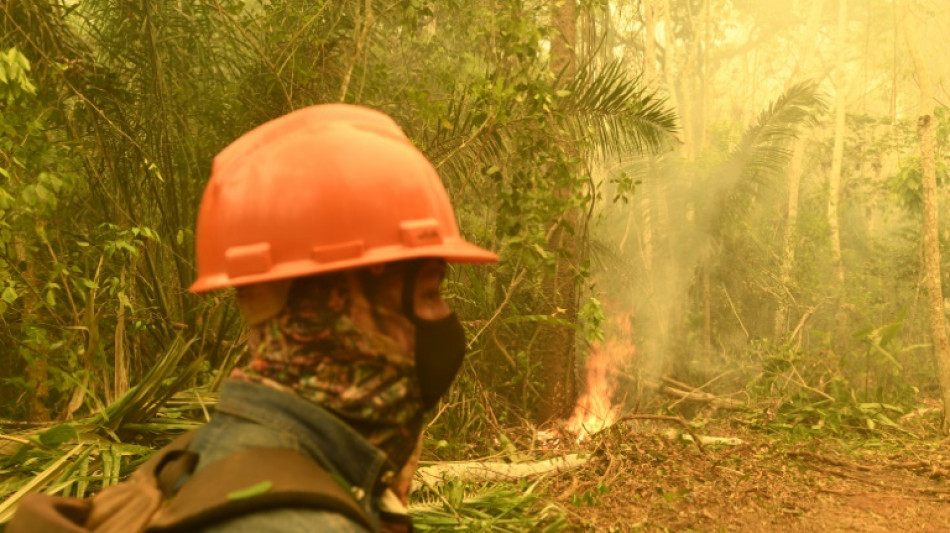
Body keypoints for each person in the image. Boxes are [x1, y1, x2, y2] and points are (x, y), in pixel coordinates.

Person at [186, 104, 498, 532]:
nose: (446, 322)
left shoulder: (217, 460)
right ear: (330, 303)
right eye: (429, 292)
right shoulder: (291, 521)